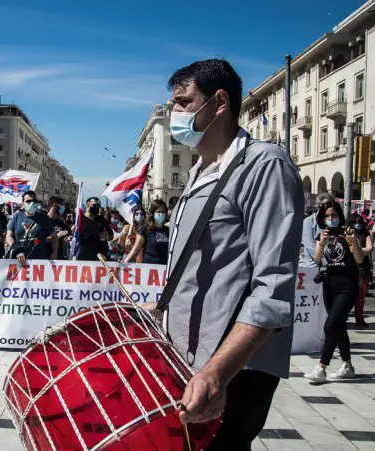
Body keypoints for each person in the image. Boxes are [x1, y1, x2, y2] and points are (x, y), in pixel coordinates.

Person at [144, 59, 304, 449]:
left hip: (232, 369)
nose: (174, 113)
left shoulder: (264, 165)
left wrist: (218, 372)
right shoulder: (202, 169)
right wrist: (164, 308)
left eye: (183, 102)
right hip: (191, 356)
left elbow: (273, 286)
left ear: (219, 103)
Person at [305, 202, 363, 383]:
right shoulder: (322, 235)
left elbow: (359, 259)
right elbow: (317, 259)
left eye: (334, 215)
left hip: (347, 286)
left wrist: (353, 241)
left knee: (330, 325)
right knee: (338, 326)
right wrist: (321, 243)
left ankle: (321, 368)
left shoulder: (348, 233)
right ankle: (347, 366)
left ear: (340, 215)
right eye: (327, 216)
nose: (331, 219)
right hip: (330, 285)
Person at [6, 191, 56, 266]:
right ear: (23, 204)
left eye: (34, 201)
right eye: (28, 201)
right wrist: (17, 251)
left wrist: (54, 253)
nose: (32, 203)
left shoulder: (44, 218)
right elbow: (8, 237)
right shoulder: (17, 217)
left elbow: (54, 236)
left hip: (39, 262)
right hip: (20, 261)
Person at [349, 213, 373, 327]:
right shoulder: (346, 234)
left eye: (359, 222)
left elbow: (369, 249)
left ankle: (359, 318)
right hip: (348, 267)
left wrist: (354, 250)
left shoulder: (366, 234)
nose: (357, 225)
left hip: (363, 269)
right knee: (346, 295)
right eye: (355, 222)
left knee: (360, 296)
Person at [300, 193, 335, 267]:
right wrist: (327, 262)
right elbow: (310, 247)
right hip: (313, 266)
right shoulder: (308, 222)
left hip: (333, 265)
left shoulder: (334, 220)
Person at [77, 197, 114, 261]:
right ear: (88, 206)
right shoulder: (81, 219)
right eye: (94, 205)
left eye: (98, 205)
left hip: (101, 257)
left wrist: (105, 236)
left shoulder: (102, 219)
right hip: (85, 257)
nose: (97, 207)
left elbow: (111, 236)